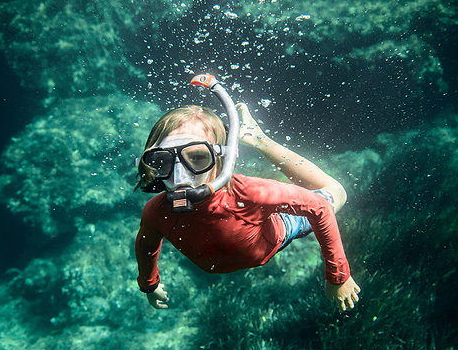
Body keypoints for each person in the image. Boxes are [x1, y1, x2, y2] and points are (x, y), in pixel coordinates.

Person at [134, 103, 361, 311]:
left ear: (222, 157)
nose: (180, 176)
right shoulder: (156, 212)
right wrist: (149, 285)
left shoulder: (250, 193)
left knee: (336, 192)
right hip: (244, 250)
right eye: (162, 162)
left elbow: (320, 207)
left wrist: (338, 276)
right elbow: (146, 247)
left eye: (197, 157)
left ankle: (260, 140)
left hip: (280, 231)